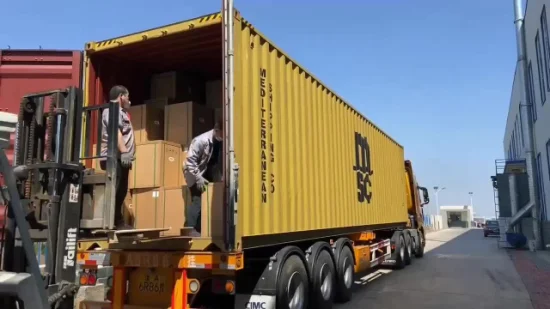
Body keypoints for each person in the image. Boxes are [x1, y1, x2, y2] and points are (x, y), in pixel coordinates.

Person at [99, 85, 135, 230]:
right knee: (116, 190)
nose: (129, 100)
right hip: (115, 157)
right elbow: (116, 132)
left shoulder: (122, 112)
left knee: (121, 191)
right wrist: (125, 151)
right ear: (121, 96)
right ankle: (112, 221)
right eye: (128, 97)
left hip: (122, 158)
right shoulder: (111, 111)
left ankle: (117, 221)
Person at [183, 119, 223, 237]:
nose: (224, 136)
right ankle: (189, 229)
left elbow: (214, 162)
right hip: (193, 171)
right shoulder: (200, 141)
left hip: (205, 170)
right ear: (216, 130)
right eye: (222, 133)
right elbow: (190, 162)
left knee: (210, 199)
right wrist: (198, 178)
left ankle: (200, 228)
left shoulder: (219, 141)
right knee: (197, 199)